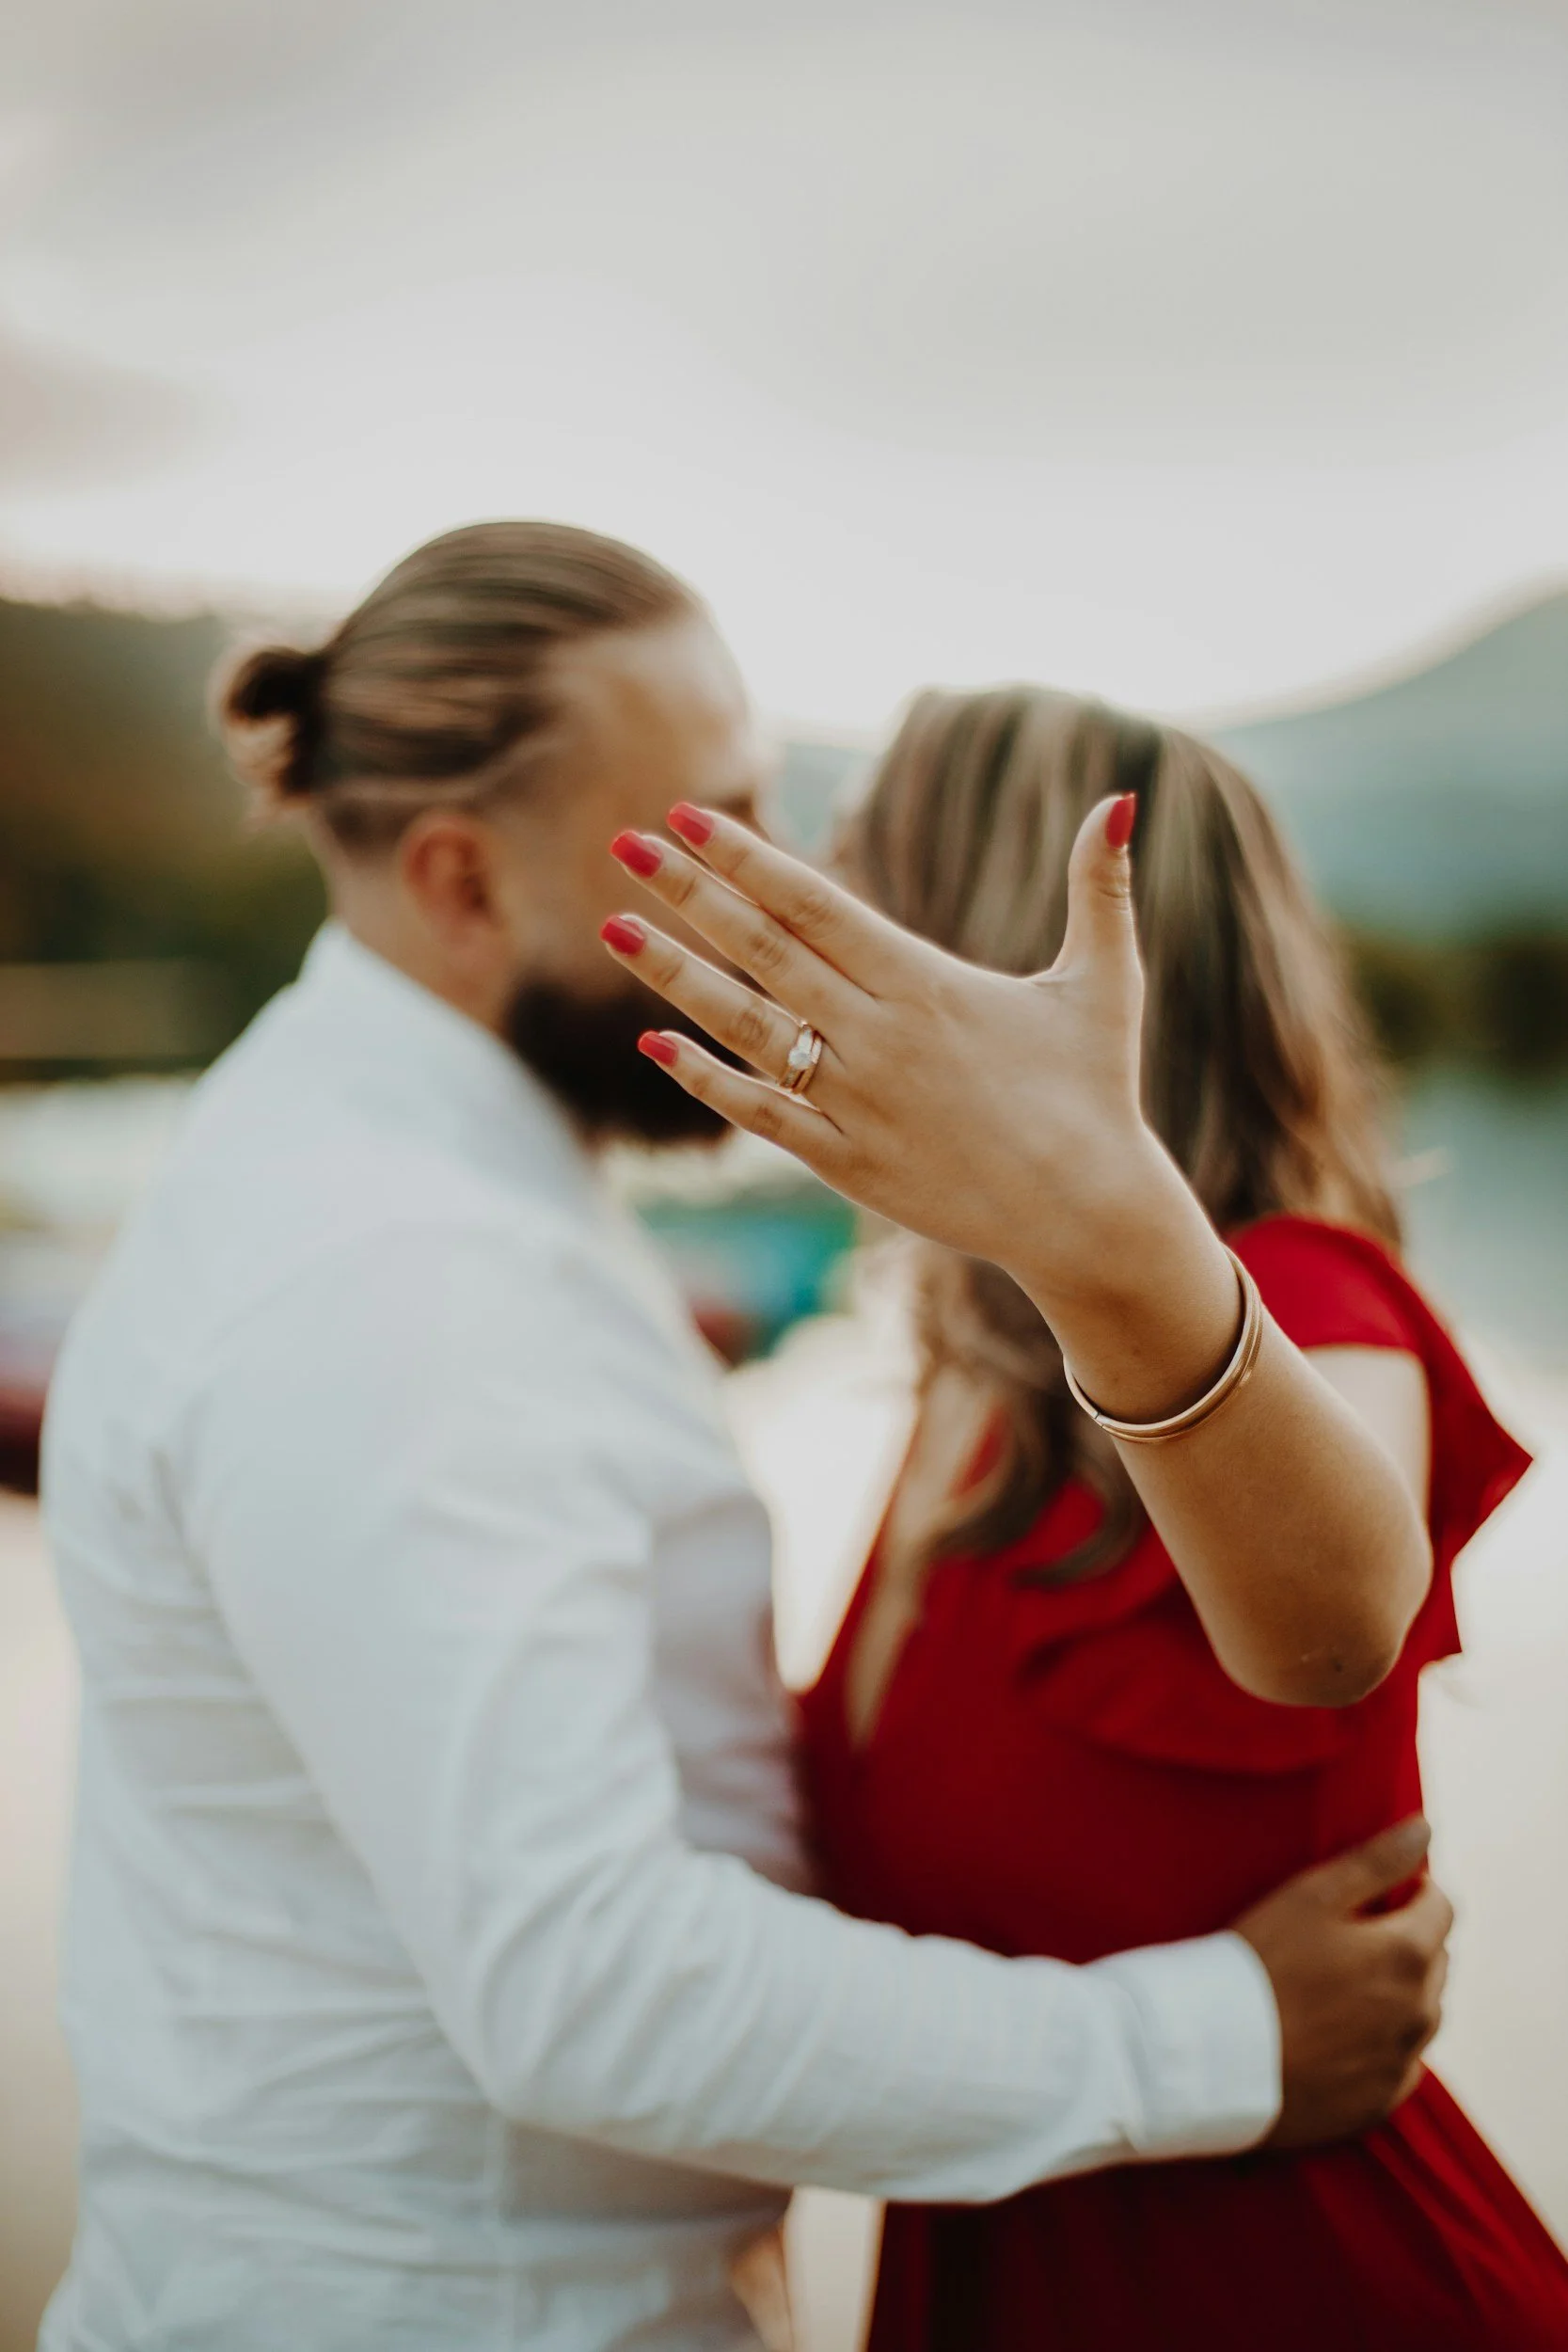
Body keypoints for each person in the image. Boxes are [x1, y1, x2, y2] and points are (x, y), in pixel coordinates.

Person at [42, 529, 1448, 2352]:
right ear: (462, 882)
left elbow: (1335, 1613)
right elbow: (588, 1982)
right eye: (699, 834)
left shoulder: (470, 1188)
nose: (786, 895)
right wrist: (1215, 2038)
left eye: (761, 804)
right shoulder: (391, 1274)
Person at [610, 684, 1567, 2348]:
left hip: (1295, 2297)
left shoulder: (1304, 1297)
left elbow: (1340, 1627)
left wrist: (1093, 1227)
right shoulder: (966, 1386)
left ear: (986, 936)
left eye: (864, 867)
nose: (808, 903)